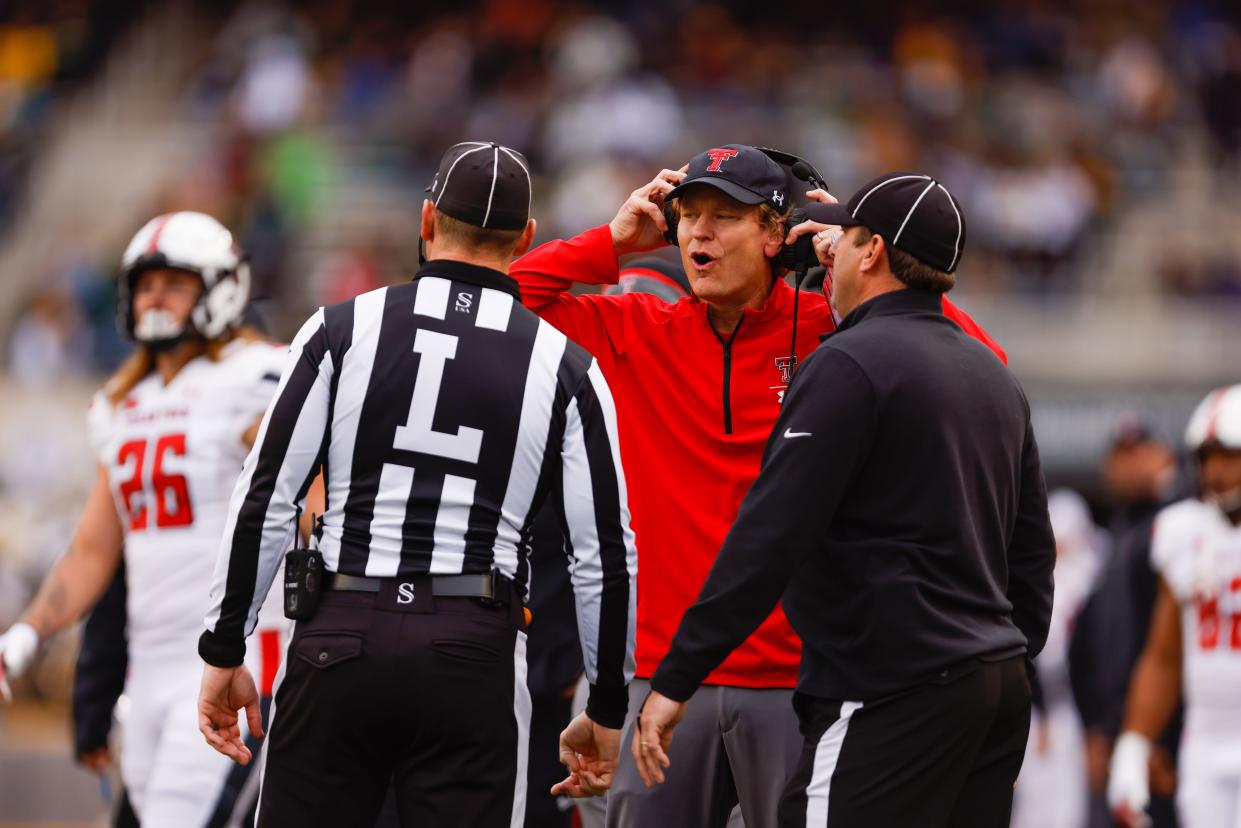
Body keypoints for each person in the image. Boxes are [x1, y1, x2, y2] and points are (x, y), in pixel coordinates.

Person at [510, 146, 1006, 828]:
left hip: (796, 678)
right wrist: (611, 242)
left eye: (725, 217)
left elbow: (976, 362)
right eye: (687, 216)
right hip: (658, 676)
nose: (697, 233)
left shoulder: (836, 327)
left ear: (777, 234)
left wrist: (841, 247)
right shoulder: (635, 330)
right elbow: (496, 305)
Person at [196, 141, 638, 827]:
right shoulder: (565, 365)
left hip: (340, 629)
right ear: (525, 238)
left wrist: (226, 644)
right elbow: (603, 555)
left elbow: (266, 497)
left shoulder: (340, 329)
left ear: (427, 220)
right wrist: (607, 705)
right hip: (472, 642)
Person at [635, 172, 1056, 828]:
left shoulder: (847, 362)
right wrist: (1015, 654)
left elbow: (769, 536)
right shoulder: (992, 374)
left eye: (845, 238)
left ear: (869, 252)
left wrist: (677, 674)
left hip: (888, 684)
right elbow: (1031, 549)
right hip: (994, 681)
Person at [0, 211, 290, 825]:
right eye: (145, 283)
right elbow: (92, 551)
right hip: (149, 671)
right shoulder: (121, 404)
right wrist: (23, 639)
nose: (154, 296)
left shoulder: (257, 375)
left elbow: (309, 504)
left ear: (222, 287)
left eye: (174, 282)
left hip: (234, 663)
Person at [1109, 383, 1241, 828]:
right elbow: (1163, 656)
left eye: (1230, 455)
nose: (1217, 472)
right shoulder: (1184, 531)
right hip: (1204, 735)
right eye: (1208, 458)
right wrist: (1135, 744)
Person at [1069, 417, 1183, 828]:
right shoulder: (1116, 534)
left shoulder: (1179, 527)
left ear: (1165, 458)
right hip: (1117, 730)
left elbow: (1169, 649)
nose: (1129, 464)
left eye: (1139, 453)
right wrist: (1094, 727)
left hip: (1161, 736)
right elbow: (1087, 638)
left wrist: (1153, 735)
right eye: (1120, 455)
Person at [1011, 490, 1104, 828]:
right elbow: (1035, 648)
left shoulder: (1091, 576)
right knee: (1035, 805)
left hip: (1074, 707)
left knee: (1071, 805)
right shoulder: (1038, 579)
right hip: (1040, 706)